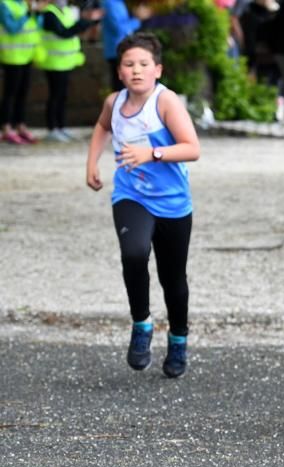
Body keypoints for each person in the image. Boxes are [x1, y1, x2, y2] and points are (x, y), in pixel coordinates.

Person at [85, 32, 201, 378]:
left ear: (157, 70)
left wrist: (152, 153)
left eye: (144, 64)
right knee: (134, 253)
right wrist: (92, 163)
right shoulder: (113, 102)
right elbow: (102, 127)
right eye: (129, 65)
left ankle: (178, 339)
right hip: (130, 196)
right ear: (119, 71)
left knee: (173, 278)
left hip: (172, 203)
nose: (136, 71)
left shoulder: (166, 103)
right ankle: (142, 324)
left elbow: (192, 148)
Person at [36, 0, 99, 142]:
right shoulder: (49, 13)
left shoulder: (68, 11)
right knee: (55, 95)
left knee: (62, 95)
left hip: (65, 61)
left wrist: (88, 22)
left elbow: (72, 30)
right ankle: (53, 128)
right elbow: (63, 32)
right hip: (53, 62)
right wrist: (84, 23)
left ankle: (61, 127)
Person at [1, 0, 40, 144]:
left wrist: (37, 13)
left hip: (26, 54)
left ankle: (20, 125)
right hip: (12, 56)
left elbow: (35, 26)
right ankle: (6, 127)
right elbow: (12, 28)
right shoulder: (4, 4)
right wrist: (28, 13)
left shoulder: (24, 3)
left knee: (22, 93)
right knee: (10, 94)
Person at [101, 0, 149, 91]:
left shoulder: (118, 3)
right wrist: (138, 19)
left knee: (125, 86)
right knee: (121, 88)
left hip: (122, 50)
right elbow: (119, 29)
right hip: (117, 51)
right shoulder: (110, 3)